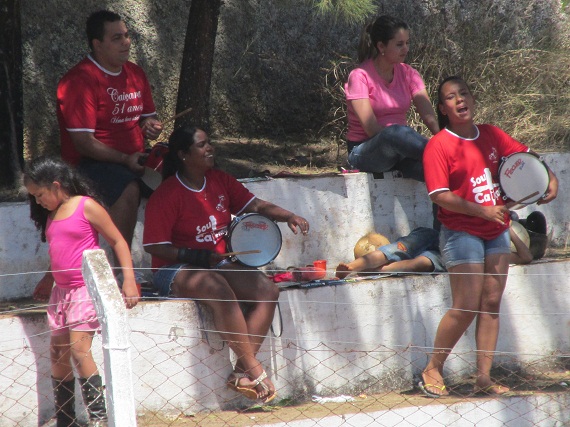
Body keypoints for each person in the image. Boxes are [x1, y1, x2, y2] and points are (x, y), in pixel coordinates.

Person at [142, 126, 310, 404]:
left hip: (216, 263)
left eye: (209, 143)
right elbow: (154, 247)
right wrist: (197, 256)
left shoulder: (219, 179)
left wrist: (288, 215)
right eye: (202, 145)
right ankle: (254, 369)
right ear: (183, 155)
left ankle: (241, 373)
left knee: (267, 291)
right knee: (219, 289)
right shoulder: (167, 194)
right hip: (174, 269)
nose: (210, 149)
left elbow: (255, 205)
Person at [419, 76, 558, 398]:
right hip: (460, 231)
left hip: (495, 231)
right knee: (466, 304)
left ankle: (483, 377)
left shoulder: (492, 134)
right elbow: (439, 195)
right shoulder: (438, 144)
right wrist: (481, 211)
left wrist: (550, 178)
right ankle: (433, 368)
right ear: (442, 108)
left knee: (491, 302)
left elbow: (528, 158)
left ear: (472, 98)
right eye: (451, 97)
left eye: (464, 93)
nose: (459, 100)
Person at [24, 157, 139, 426]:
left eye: (39, 195)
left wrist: (129, 280)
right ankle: (66, 418)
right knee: (58, 352)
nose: (38, 201)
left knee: (79, 349)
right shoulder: (51, 214)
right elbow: (61, 251)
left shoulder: (86, 206)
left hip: (85, 290)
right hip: (61, 294)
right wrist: (49, 278)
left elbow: (117, 240)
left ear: (55, 185)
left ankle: (98, 418)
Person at [56, 10, 163, 277]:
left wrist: (149, 125)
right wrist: (125, 160)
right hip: (89, 164)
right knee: (127, 189)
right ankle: (122, 272)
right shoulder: (79, 81)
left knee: (184, 175)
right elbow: (84, 144)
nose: (126, 42)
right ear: (97, 44)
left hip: (134, 158)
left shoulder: (136, 74)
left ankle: (173, 267)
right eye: (117, 38)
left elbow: (146, 115)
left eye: (127, 36)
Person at [344, 15, 439, 181]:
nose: (406, 49)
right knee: (394, 133)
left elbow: (429, 117)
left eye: (407, 43)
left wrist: (444, 137)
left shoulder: (409, 73)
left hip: (400, 150)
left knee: (436, 173)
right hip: (366, 151)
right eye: (399, 44)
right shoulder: (359, 76)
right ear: (381, 46)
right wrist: (405, 143)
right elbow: (372, 129)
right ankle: (448, 154)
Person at [335, 227, 445, 278]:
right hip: (438, 234)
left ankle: (374, 270)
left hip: (452, 251)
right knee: (395, 249)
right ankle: (350, 268)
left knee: (423, 263)